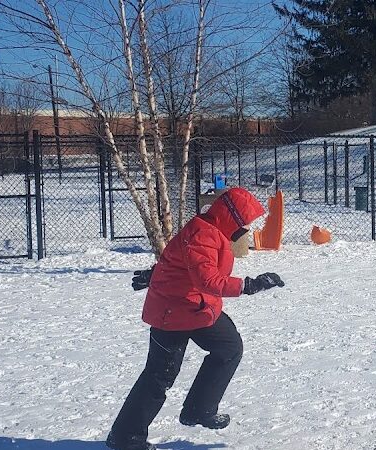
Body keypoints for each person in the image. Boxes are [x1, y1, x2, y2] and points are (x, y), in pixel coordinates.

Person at [106, 187, 286, 450]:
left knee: (229, 348)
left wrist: (156, 273)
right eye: (243, 223)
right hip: (173, 312)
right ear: (230, 217)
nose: (245, 230)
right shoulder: (203, 233)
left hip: (198, 308)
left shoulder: (212, 231)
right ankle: (125, 438)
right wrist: (250, 285)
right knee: (160, 376)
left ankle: (199, 409)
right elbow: (207, 279)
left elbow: (179, 259)